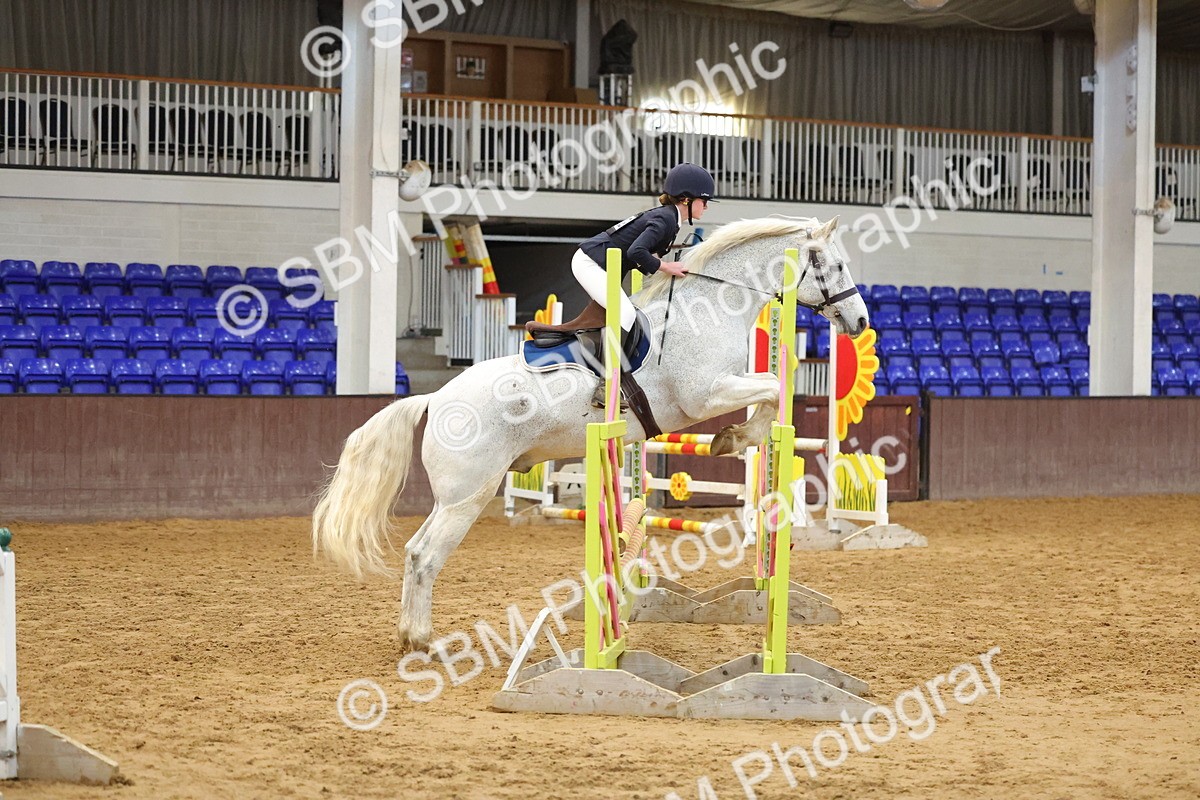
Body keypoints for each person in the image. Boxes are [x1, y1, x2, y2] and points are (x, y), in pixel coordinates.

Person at [526, 162, 715, 336]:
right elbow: (636, 251)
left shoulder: (670, 218)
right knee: (626, 315)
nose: (706, 207)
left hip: (600, 263)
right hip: (591, 263)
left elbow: (644, 257)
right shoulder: (666, 219)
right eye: (704, 201)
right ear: (686, 200)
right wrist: (666, 267)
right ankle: (611, 363)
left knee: (624, 313)